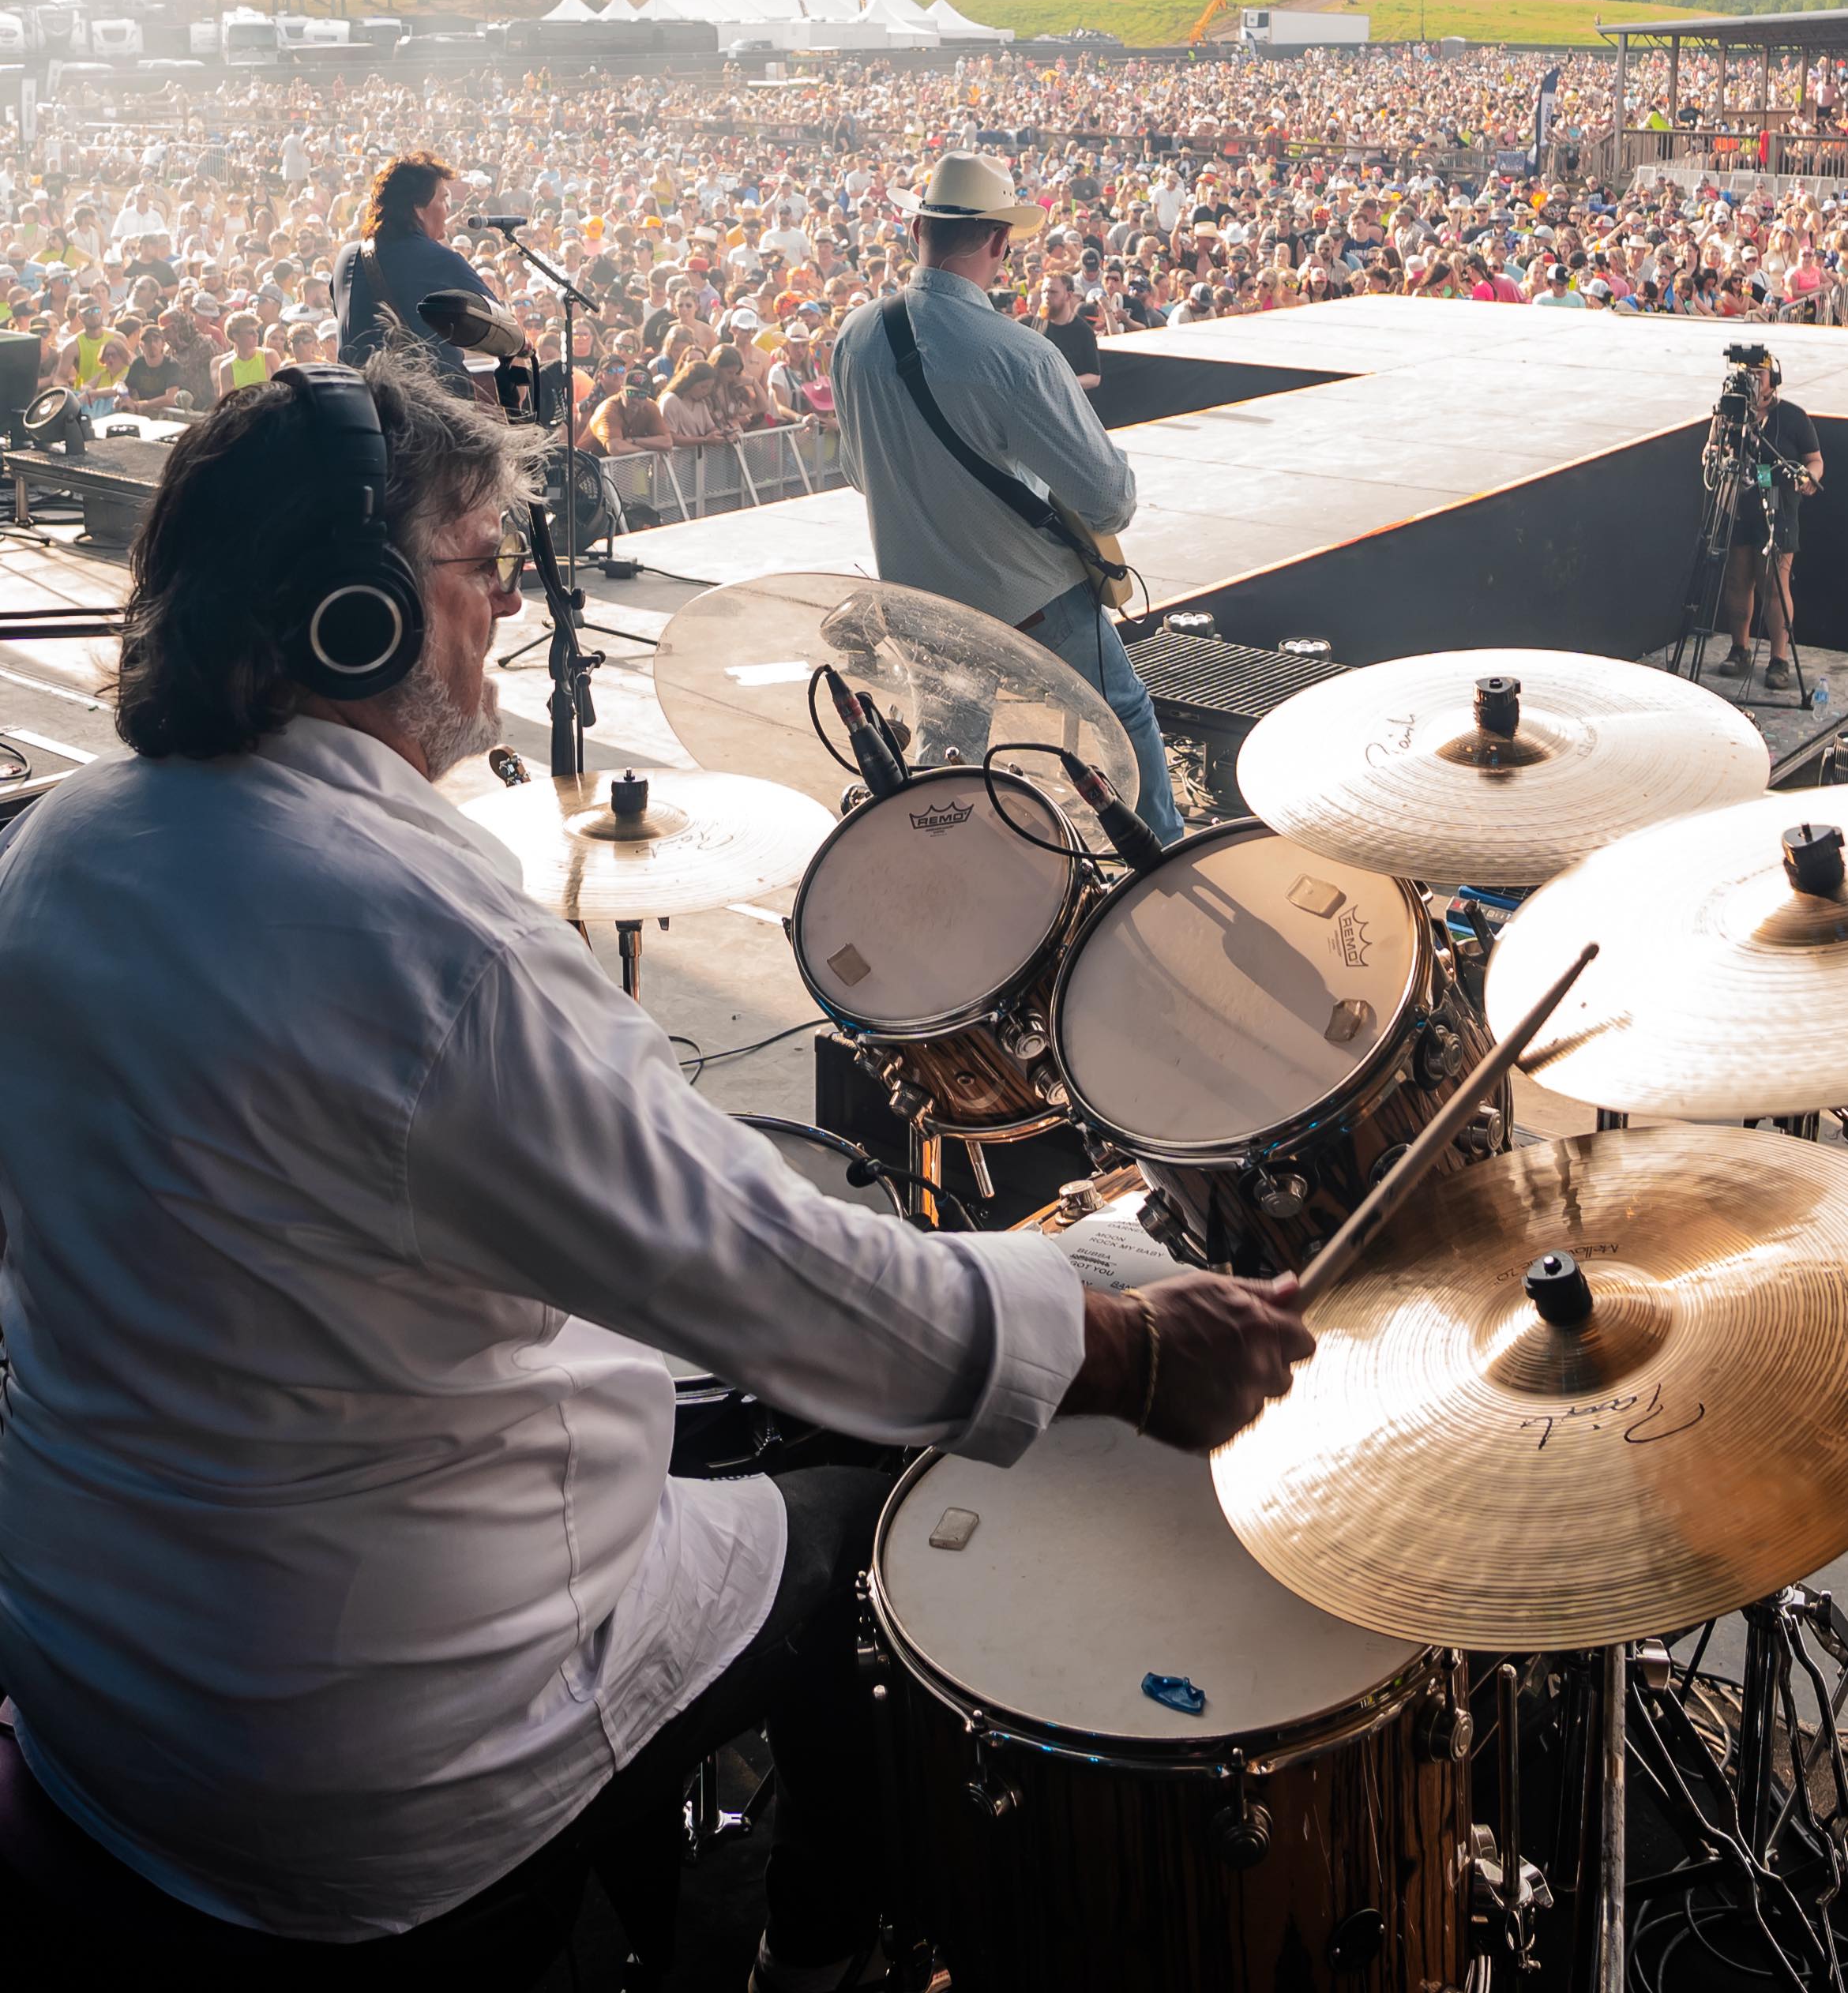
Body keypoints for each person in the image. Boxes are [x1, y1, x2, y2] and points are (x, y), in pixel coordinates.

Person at [0, 354, 1309, 1983]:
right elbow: (780, 1283)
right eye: (482, 564)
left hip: (97, 1692)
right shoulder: (434, 954)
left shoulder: (53, 850)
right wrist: (1126, 1348)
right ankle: (807, 1953)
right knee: (867, 1530)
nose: (508, 607)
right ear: (360, 619)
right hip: (360, 1764)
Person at [832, 151, 1184, 842]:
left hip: (922, 605)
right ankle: (1162, 861)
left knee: (950, 755)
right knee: (1121, 717)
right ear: (999, 241)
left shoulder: (856, 335)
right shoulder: (1018, 354)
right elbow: (1109, 500)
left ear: (917, 231)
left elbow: (858, 472)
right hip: (1034, 602)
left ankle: (951, 865)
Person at [332, 153, 498, 389]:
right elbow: (501, 328)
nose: (448, 208)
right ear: (418, 208)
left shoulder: (347, 257)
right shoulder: (441, 261)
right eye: (443, 199)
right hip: (428, 404)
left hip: (356, 402)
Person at [1718, 347, 1824, 691]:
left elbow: (1815, 460)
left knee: (1774, 586)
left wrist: (1808, 477)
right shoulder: (1729, 412)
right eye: (1744, 372)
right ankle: (1740, 648)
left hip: (1778, 506)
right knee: (1737, 580)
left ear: (1772, 379)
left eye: (1757, 374)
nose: (1749, 379)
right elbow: (1713, 448)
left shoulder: (1793, 417)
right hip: (1737, 505)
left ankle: (1779, 659)